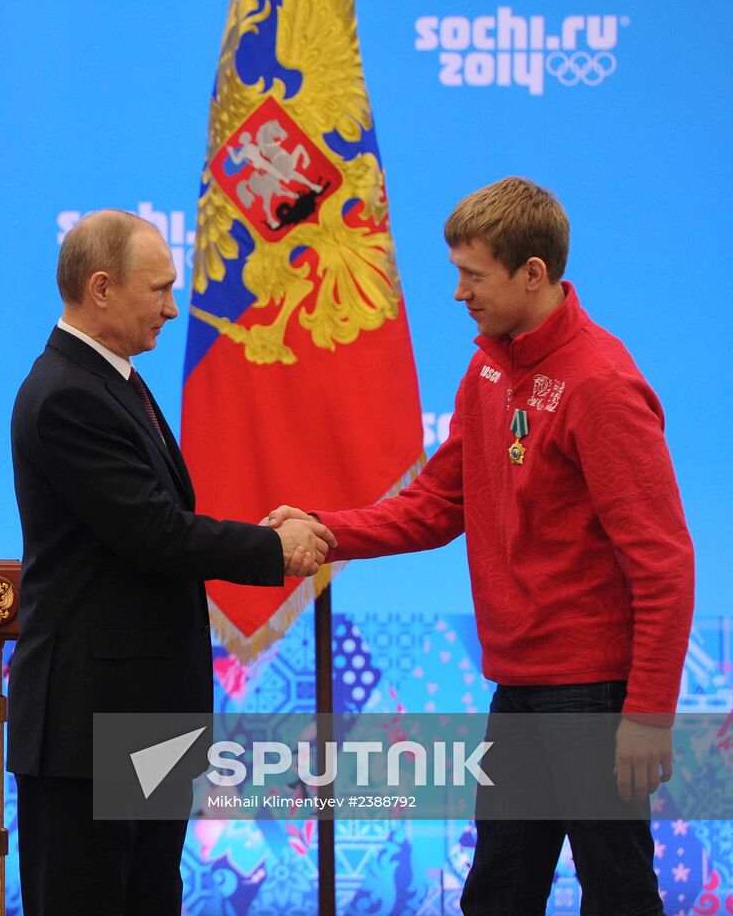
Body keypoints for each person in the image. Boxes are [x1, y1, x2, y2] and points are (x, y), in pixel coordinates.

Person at [267, 177, 694, 915]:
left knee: (619, 895)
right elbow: (437, 504)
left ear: (533, 273)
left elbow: (665, 564)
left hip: (592, 695)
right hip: (519, 685)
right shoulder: (491, 364)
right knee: (497, 894)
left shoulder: (601, 385)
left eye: (474, 275)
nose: (458, 293)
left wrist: (649, 714)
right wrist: (325, 529)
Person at [8, 209, 335, 916]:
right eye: (157, 290)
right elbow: (154, 533)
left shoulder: (113, 380)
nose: (171, 307)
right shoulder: (67, 394)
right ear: (101, 288)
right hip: (89, 728)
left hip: (142, 719)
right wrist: (272, 550)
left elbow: (156, 524)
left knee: (151, 895)